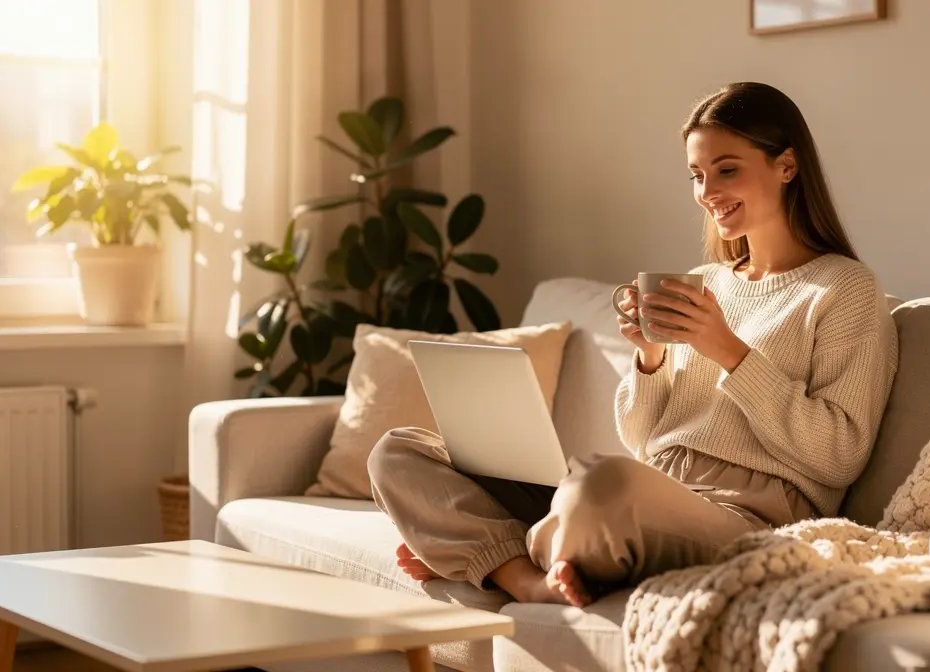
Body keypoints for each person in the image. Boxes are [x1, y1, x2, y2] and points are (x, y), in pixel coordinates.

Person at [368, 82, 898, 608]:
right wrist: (649, 359)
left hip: (744, 518)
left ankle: (485, 551)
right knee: (398, 451)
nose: (707, 190)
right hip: (649, 488)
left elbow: (839, 457)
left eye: (727, 169)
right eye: (697, 174)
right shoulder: (703, 282)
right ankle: (526, 575)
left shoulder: (844, 289)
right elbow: (643, 441)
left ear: (786, 165)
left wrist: (727, 350)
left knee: (600, 484)